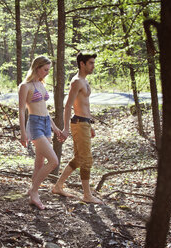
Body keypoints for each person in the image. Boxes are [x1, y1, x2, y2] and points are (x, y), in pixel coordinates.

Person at [52, 51, 103, 204]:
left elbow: (85, 105)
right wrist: (66, 129)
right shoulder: (77, 81)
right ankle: (87, 195)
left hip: (85, 123)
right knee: (86, 160)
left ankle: (58, 186)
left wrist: (90, 124)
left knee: (79, 158)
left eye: (93, 63)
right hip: (79, 123)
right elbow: (68, 106)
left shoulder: (84, 81)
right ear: (82, 64)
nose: (93, 66)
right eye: (91, 63)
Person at [18, 55, 61, 210]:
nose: (47, 73)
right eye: (45, 69)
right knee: (53, 161)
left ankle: (32, 189)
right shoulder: (25, 86)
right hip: (35, 124)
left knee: (40, 162)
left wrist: (55, 128)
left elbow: (45, 110)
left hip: (45, 123)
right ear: (37, 67)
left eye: (49, 70)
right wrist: (23, 133)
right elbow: (22, 111)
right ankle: (34, 193)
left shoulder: (41, 84)